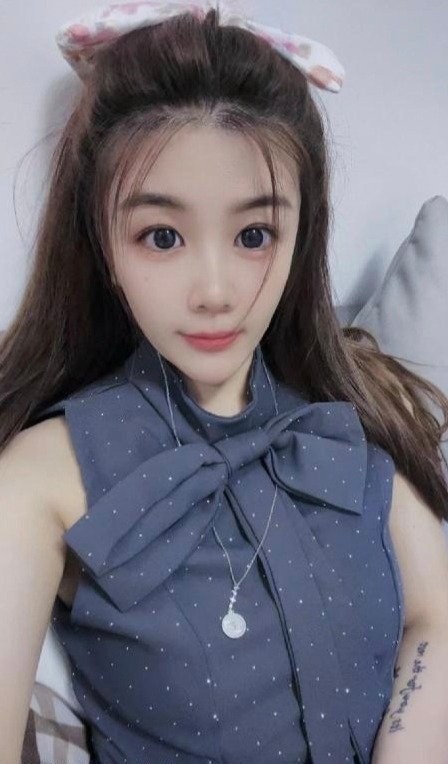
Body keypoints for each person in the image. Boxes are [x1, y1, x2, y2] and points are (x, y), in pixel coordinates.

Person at [1, 2, 448, 763]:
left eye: (253, 235)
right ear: (103, 244)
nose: (214, 291)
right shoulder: (44, 475)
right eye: (162, 236)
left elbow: (433, 618)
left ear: (302, 234)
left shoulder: (352, 411)